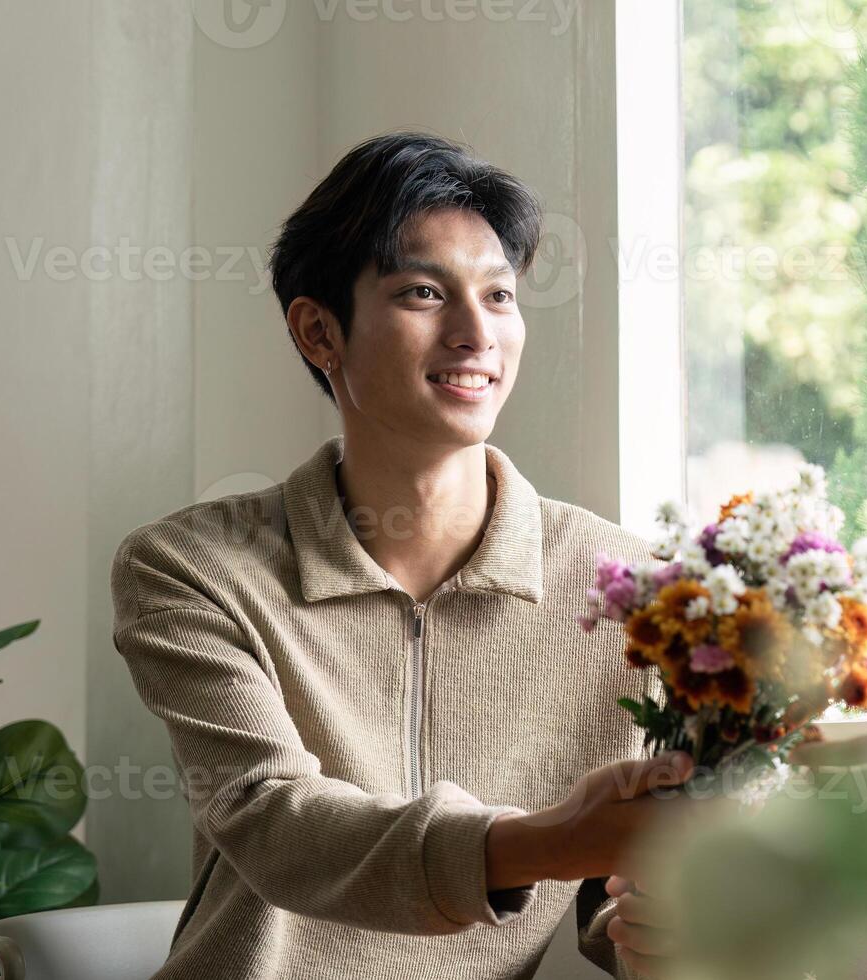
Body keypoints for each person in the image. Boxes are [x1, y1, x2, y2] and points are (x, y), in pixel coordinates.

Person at [111, 133, 677, 979]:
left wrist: (662, 931)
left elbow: (615, 899)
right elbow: (275, 823)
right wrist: (544, 838)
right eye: (423, 292)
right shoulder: (191, 566)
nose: (475, 333)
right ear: (318, 332)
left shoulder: (630, 590)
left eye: (499, 295)